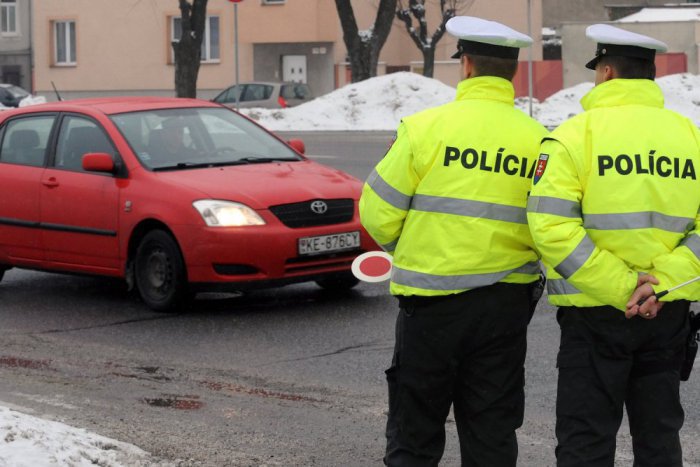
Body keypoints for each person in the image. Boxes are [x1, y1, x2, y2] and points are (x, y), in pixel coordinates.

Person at [359, 16, 548, 466]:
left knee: (415, 436)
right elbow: (550, 225)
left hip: (431, 307)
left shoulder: (425, 129)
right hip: (504, 308)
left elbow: (377, 212)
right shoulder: (540, 140)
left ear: (465, 66)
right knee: (492, 434)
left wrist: (409, 244)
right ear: (513, 73)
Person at [526, 24, 700, 466]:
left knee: (586, 442)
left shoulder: (572, 135)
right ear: (650, 76)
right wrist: (660, 282)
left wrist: (624, 286)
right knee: (660, 439)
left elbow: (550, 227)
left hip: (594, 314)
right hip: (667, 311)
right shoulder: (691, 138)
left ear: (605, 73)